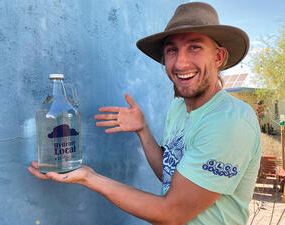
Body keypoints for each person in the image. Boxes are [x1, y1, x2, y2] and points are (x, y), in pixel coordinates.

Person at [28, 2, 261, 225]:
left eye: (194, 47)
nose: (180, 63)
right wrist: (143, 129)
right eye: (172, 50)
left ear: (218, 57)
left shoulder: (230, 122)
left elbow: (172, 214)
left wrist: (89, 177)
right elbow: (169, 176)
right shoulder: (178, 108)